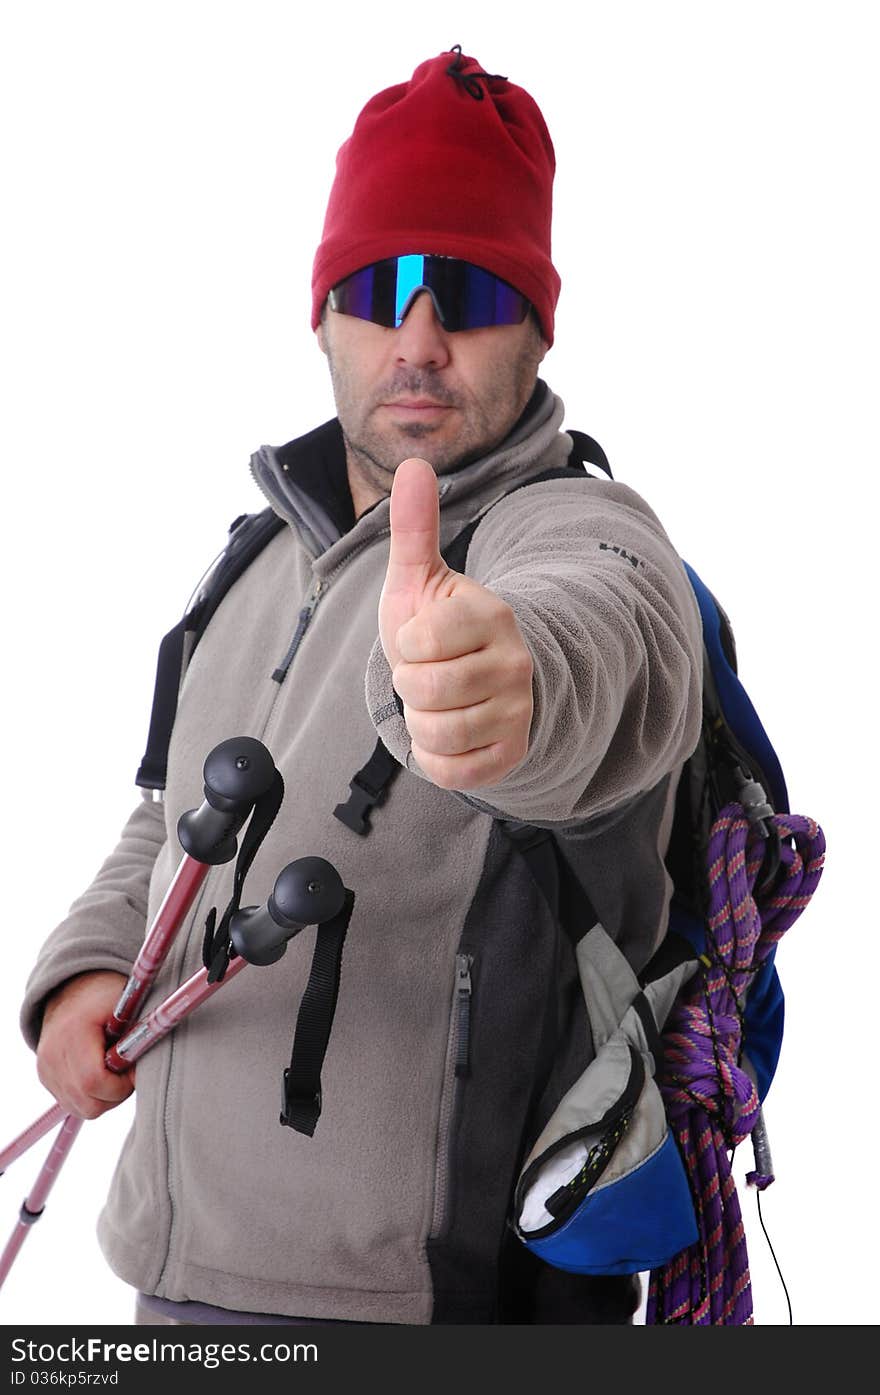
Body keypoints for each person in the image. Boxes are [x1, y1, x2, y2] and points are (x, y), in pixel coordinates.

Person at [21, 48, 704, 1326]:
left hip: (423, 1311)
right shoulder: (250, 559)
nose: (423, 340)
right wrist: (83, 972)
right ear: (321, 313)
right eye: (383, 288)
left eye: (474, 289)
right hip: (170, 1287)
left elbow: (610, 644)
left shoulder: (572, 533)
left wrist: (517, 685)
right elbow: (164, 817)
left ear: (540, 325)